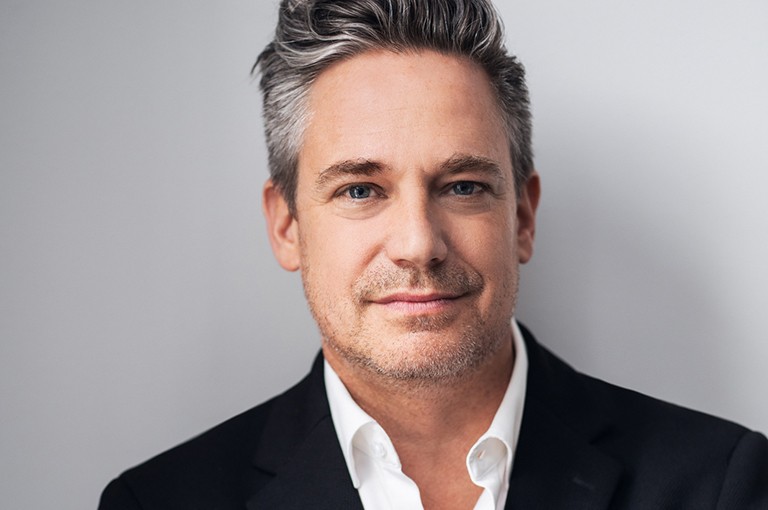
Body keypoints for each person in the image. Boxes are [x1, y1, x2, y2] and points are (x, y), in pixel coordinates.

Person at [98, 0, 768, 508]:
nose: (419, 243)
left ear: (524, 216)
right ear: (287, 227)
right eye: (361, 188)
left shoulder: (720, 484)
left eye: (464, 186)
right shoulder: (160, 500)